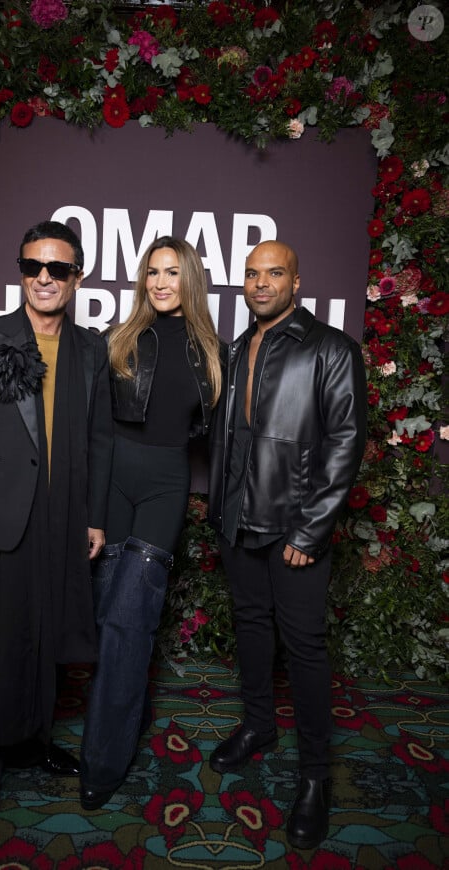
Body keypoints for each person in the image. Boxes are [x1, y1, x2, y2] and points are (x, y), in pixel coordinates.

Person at [0, 220, 113, 849]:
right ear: (20, 272)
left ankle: (32, 743)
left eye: (58, 269)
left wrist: (93, 516)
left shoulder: (90, 350)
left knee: (43, 642)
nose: (44, 278)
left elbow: (97, 439)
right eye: (33, 267)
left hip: (62, 522)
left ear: (77, 277)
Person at [207, 240, 366, 850]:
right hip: (238, 522)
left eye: (274, 273)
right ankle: (257, 727)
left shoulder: (330, 349)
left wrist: (311, 529)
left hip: (296, 528)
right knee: (250, 625)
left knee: (303, 647)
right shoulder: (238, 347)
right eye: (251, 274)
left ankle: (315, 777)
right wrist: (221, 510)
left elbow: (345, 443)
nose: (261, 283)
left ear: (296, 282)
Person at [79, 236, 222, 810]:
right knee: (102, 616)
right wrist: (90, 511)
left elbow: (223, 438)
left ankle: (103, 760)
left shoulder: (213, 352)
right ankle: (122, 720)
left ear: (190, 279)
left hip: (166, 485)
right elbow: (93, 431)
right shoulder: (117, 339)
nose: (161, 282)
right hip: (111, 482)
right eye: (152, 272)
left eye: (172, 272)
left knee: (129, 621)